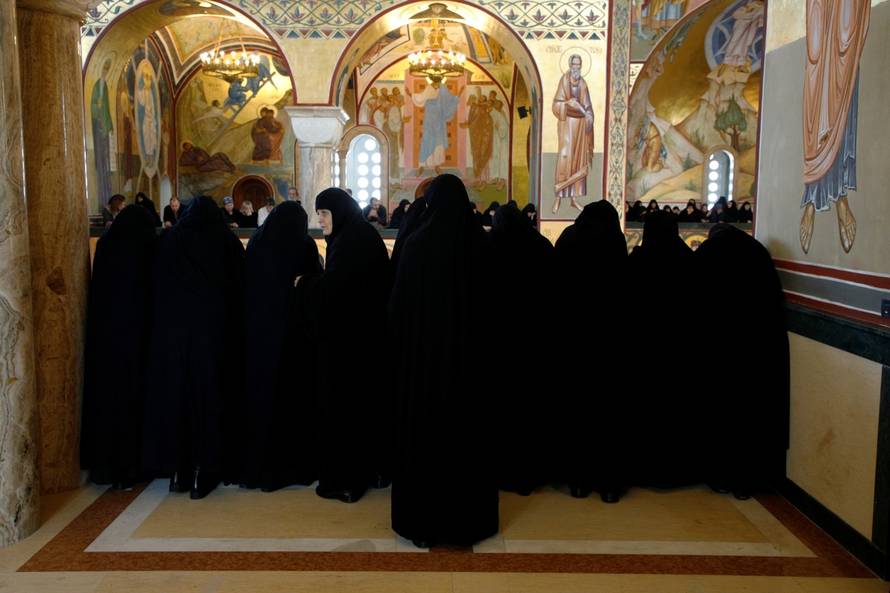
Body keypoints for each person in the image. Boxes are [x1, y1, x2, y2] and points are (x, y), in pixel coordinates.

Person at [389, 174, 498, 548]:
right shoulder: (481, 245)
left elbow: (399, 312)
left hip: (424, 369)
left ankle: (422, 524)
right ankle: (470, 522)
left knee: (426, 440)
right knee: (468, 442)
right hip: (471, 368)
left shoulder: (417, 246)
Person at [142, 196, 245, 499]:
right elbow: (239, 288)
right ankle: (207, 470)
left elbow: (157, 287)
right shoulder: (224, 240)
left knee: (179, 401)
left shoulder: (171, 240)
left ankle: (179, 471)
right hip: (213, 340)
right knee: (210, 402)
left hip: (174, 340)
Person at [295, 188, 391, 503]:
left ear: (338, 212)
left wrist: (305, 284)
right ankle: (371, 471)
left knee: (346, 412)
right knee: (365, 409)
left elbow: (337, 292)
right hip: (367, 342)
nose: (319, 220)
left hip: (349, 347)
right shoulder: (359, 235)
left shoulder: (350, 243)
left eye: (323, 214)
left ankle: (348, 481)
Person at [695, 224, 788, 499]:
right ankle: (748, 479)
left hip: (719, 351)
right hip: (756, 351)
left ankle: (720, 475)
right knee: (751, 413)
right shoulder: (757, 252)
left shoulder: (709, 252)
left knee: (721, 414)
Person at [242, 201, 323, 491]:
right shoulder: (304, 246)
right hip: (295, 340)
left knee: (263, 402)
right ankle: (297, 467)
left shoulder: (257, 243)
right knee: (294, 402)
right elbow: (315, 288)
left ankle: (261, 468)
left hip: (261, 338)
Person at [554, 200, 629, 502]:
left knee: (577, 411)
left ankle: (578, 481)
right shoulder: (615, 240)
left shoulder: (570, 239)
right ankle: (609, 485)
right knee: (608, 414)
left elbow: (555, 287)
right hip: (609, 344)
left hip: (574, 342)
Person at [81, 205, 158, 489]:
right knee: (133, 403)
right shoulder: (147, 246)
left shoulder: (105, 246)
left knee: (107, 404)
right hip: (138, 338)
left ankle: (104, 467)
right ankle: (133, 466)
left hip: (105, 338)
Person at [627, 210, 703, 488]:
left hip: (645, 353)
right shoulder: (690, 262)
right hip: (680, 354)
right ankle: (677, 471)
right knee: (676, 412)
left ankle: (644, 469)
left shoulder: (638, 261)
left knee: (647, 412)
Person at [490, 202, 555, 495]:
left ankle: (500, 471)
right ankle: (530, 475)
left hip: (499, 343)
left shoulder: (491, 245)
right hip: (534, 341)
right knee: (530, 407)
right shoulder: (540, 245)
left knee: (501, 409)